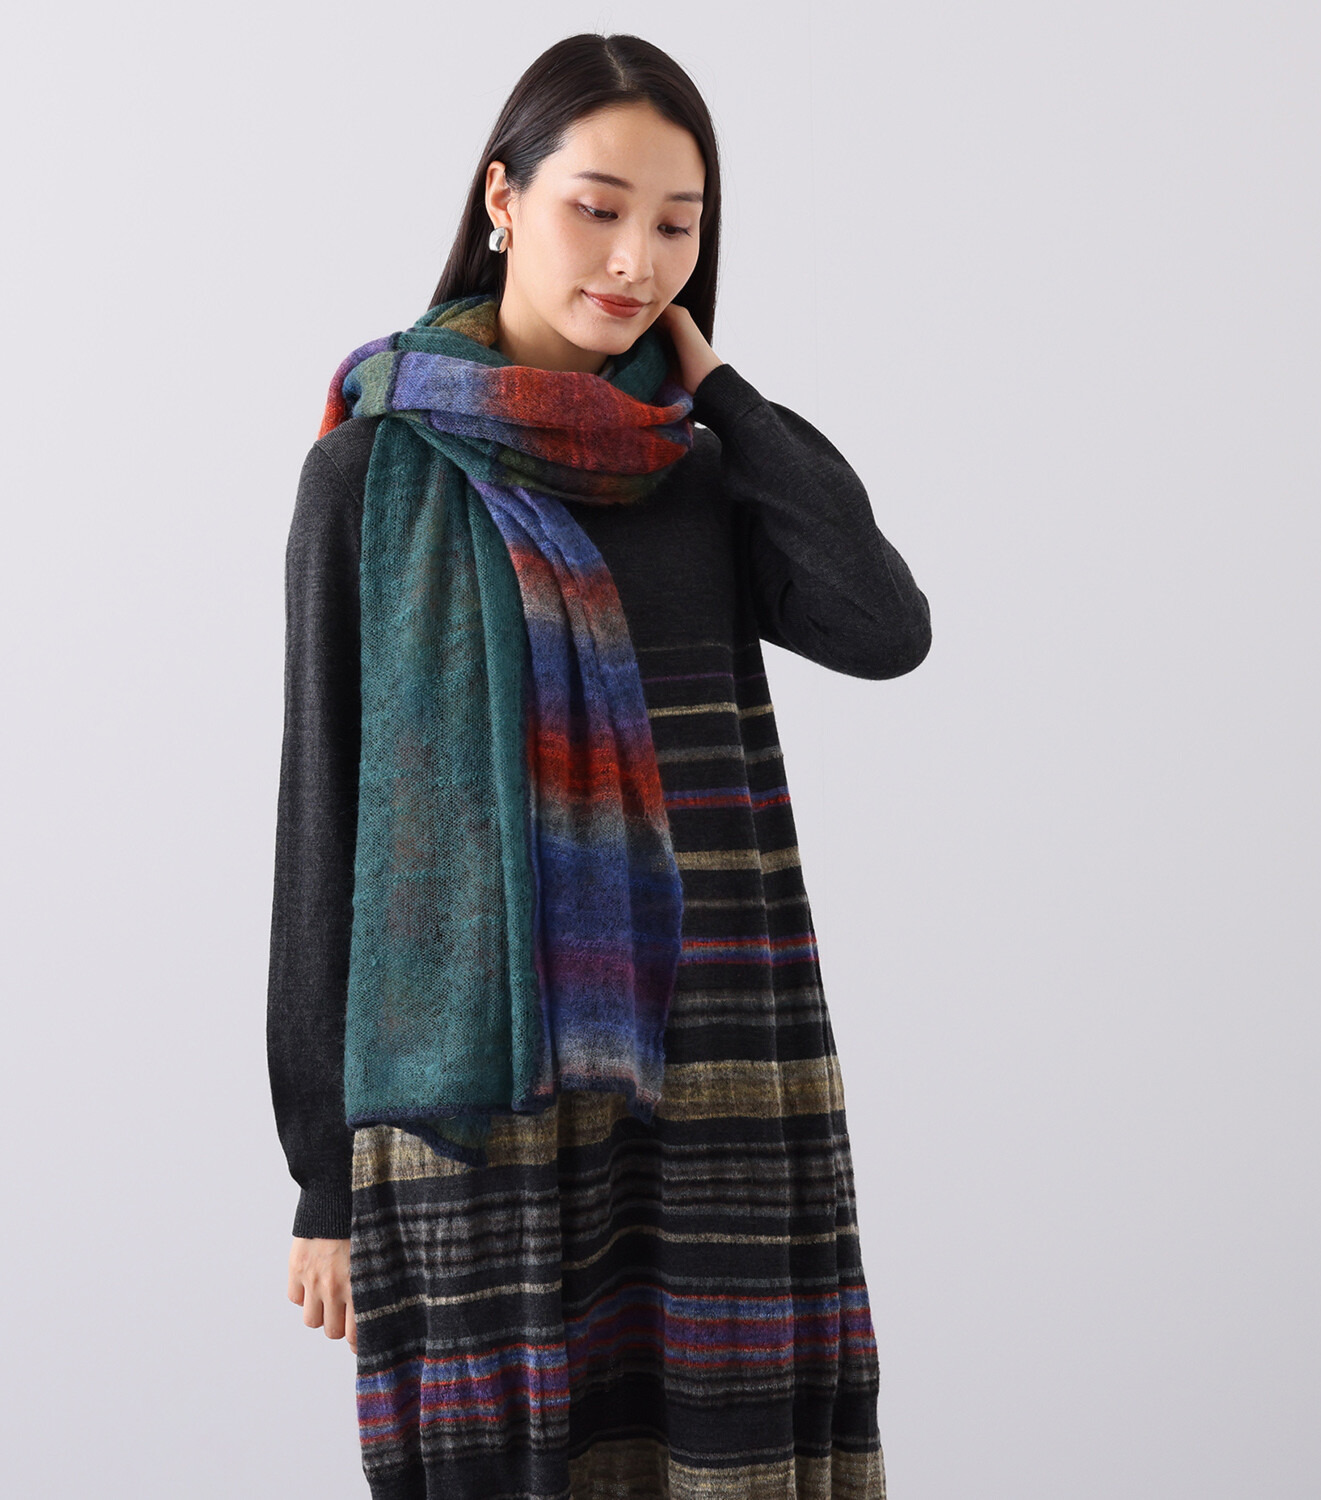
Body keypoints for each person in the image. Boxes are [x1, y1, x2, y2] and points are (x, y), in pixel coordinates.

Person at [267, 31, 930, 1500]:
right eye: (599, 207)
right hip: (478, 1089)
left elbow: (885, 629)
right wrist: (322, 1173)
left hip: (716, 1054)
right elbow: (325, 817)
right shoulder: (372, 473)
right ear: (503, 198)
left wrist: (730, 400)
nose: (637, 260)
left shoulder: (699, 466)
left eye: (679, 226)